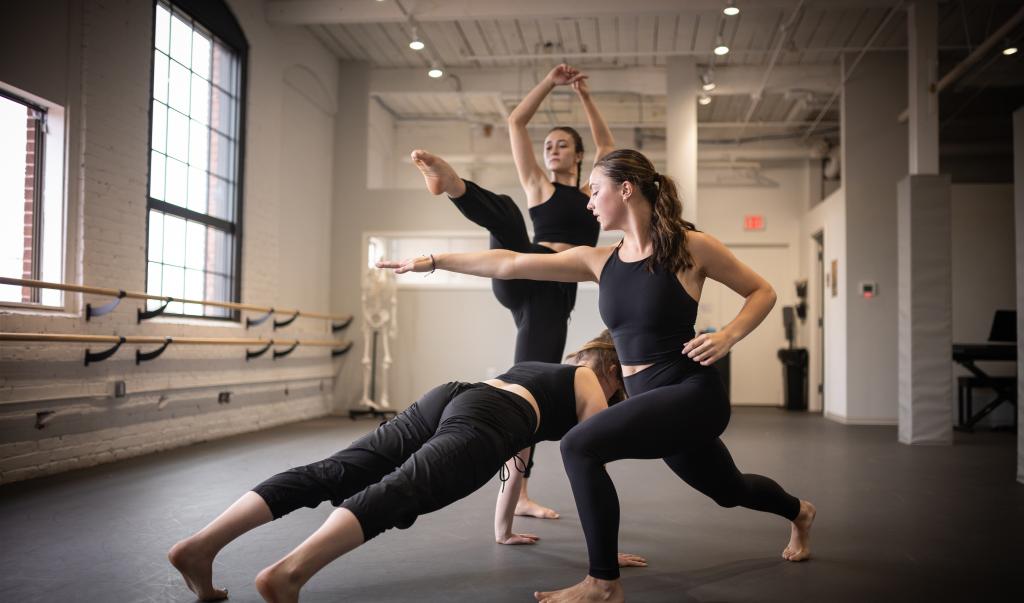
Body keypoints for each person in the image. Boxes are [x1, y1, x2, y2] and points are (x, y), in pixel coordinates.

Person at [379, 149, 816, 603]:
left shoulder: (691, 247)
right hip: (650, 399)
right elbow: (509, 263)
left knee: (579, 446)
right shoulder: (599, 260)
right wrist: (433, 261)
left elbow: (762, 291)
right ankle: (799, 512)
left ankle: (603, 583)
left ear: (625, 190)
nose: (589, 203)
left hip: (691, 392)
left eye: (595, 191)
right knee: (729, 489)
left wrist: (728, 335)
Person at [167, 332, 644, 603]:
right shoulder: (588, 380)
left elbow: (518, 461)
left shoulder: (544, 372)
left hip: (453, 396)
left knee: (335, 470)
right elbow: (590, 463)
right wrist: (604, 554)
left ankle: (200, 547)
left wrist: (502, 529)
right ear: (612, 372)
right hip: (492, 417)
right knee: (403, 489)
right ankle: (288, 573)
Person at [423, 62, 615, 520]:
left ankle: (518, 493)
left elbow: (606, 144)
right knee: (508, 213)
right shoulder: (539, 186)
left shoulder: (592, 190)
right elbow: (515, 122)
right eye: (548, 145)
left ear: (578, 155)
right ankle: (454, 186)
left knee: (528, 389)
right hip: (521, 272)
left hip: (551, 297)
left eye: (562, 145)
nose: (551, 150)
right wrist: (549, 82)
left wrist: (585, 94)